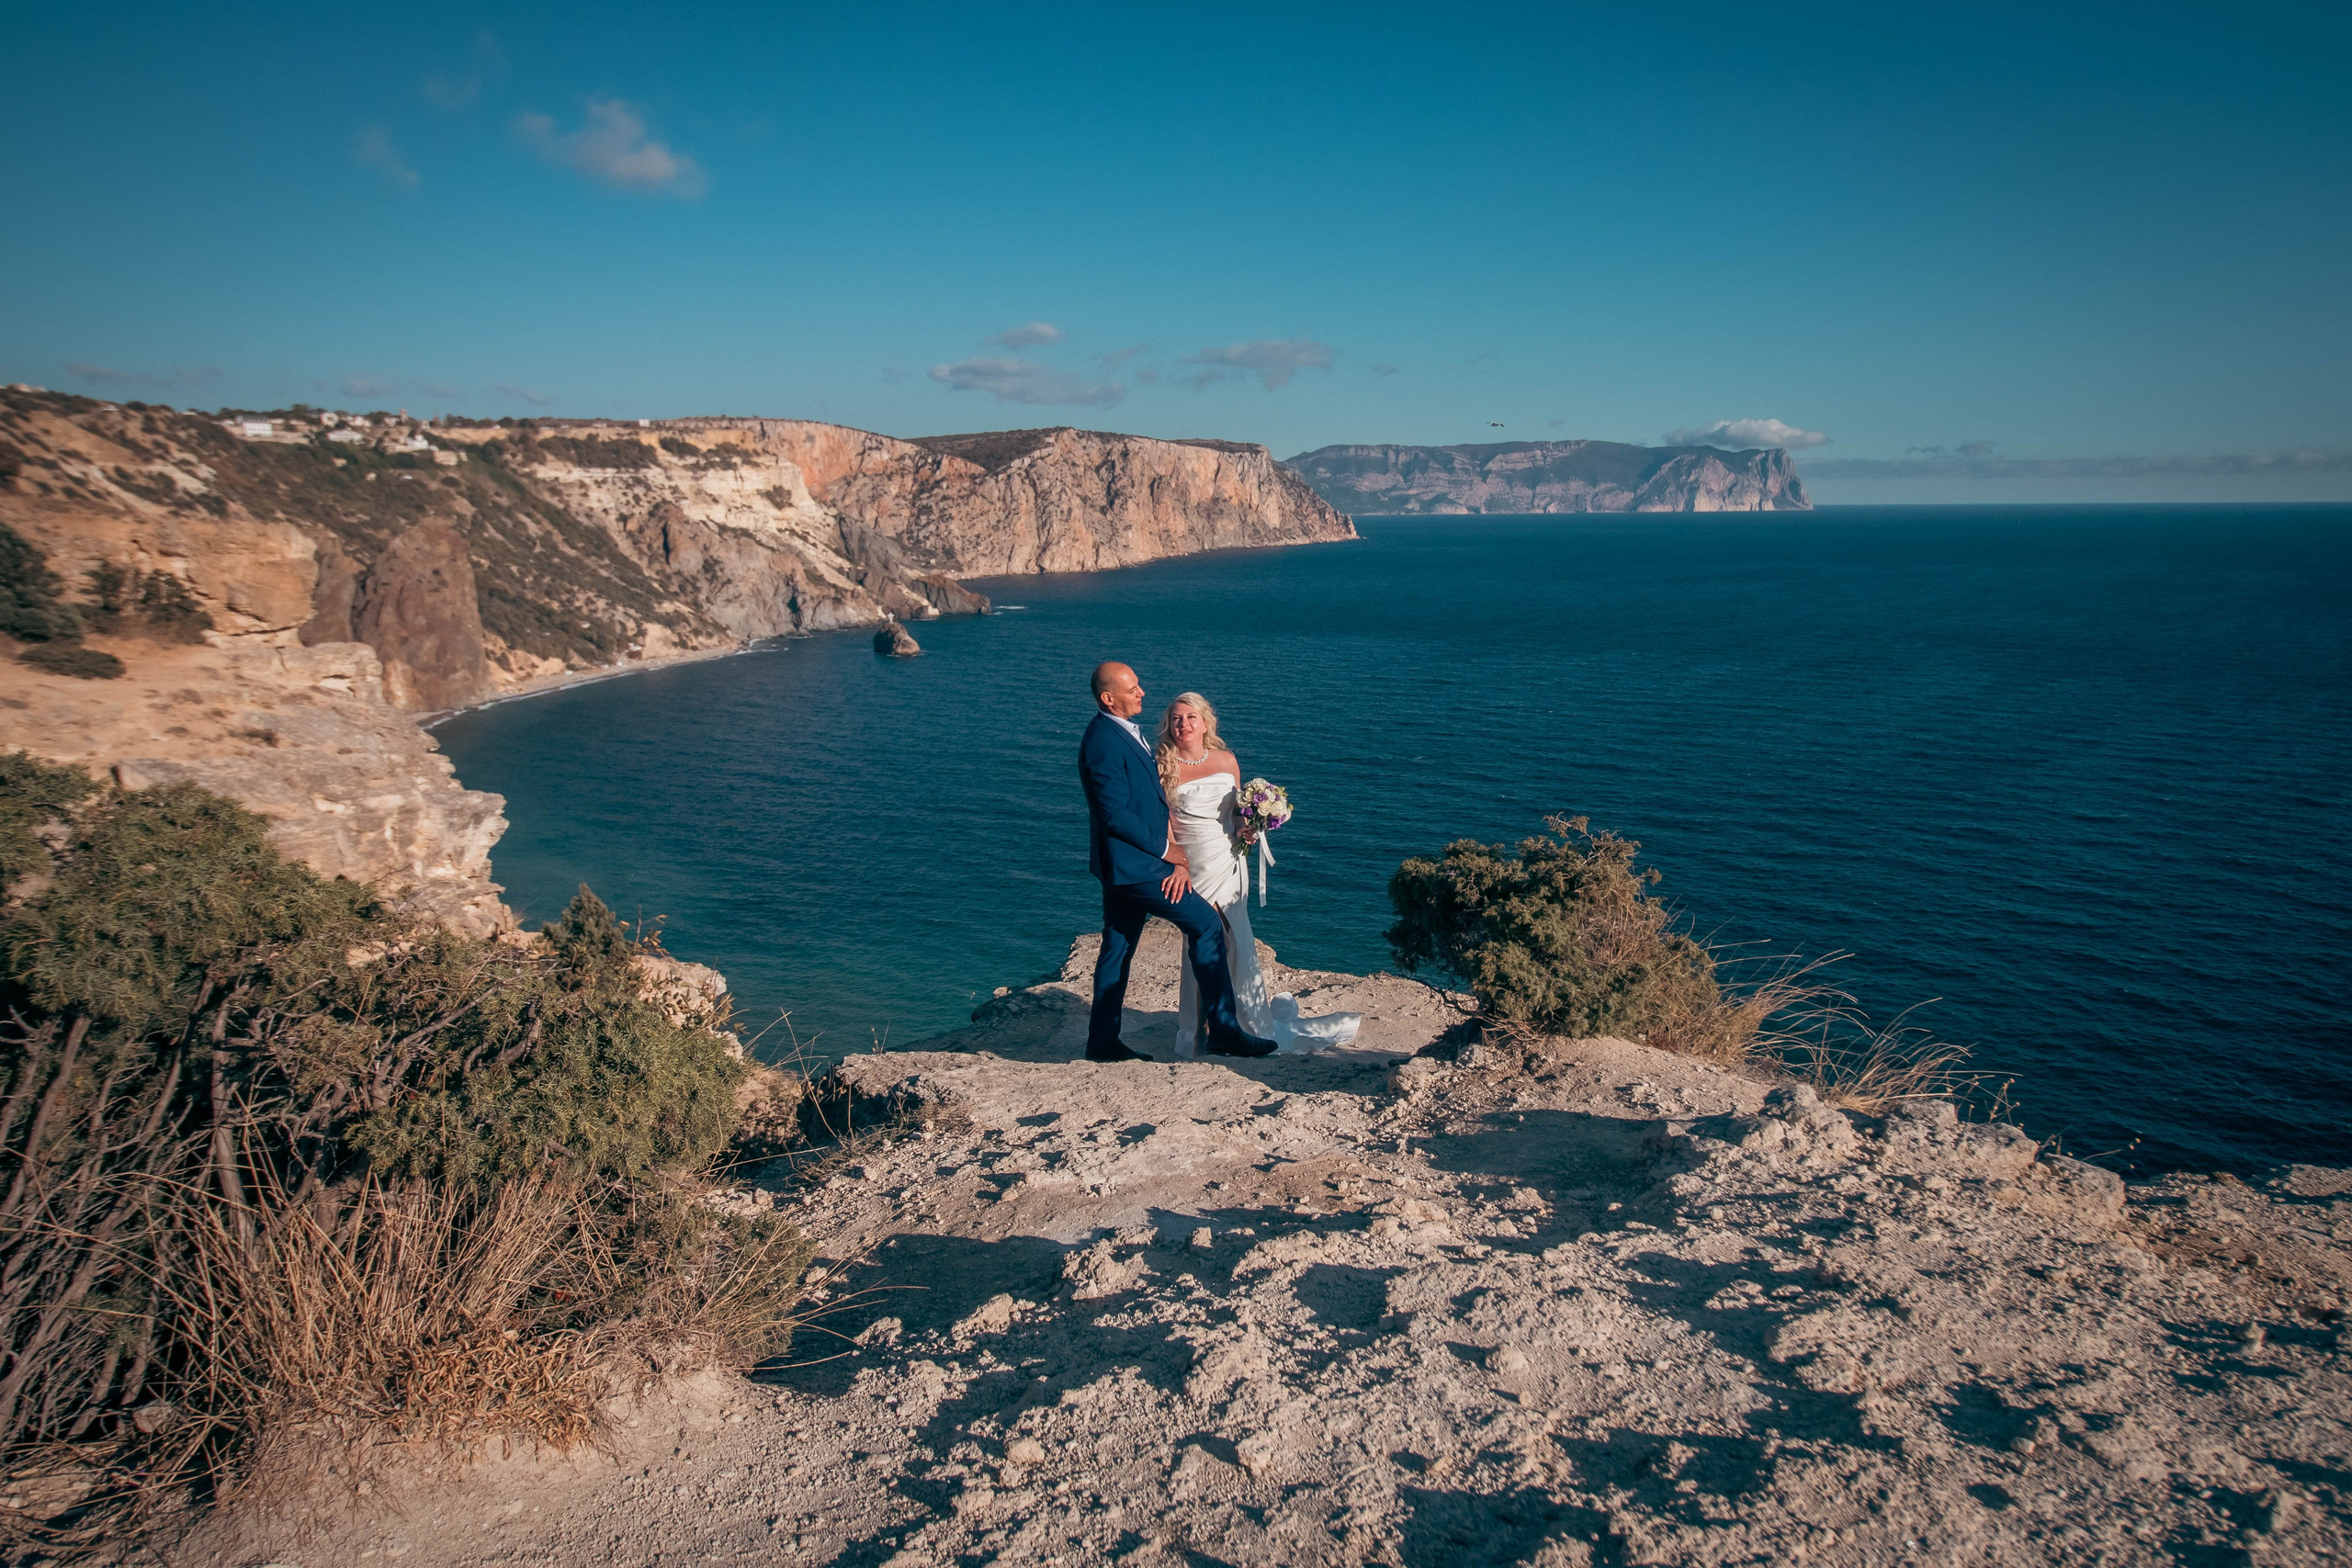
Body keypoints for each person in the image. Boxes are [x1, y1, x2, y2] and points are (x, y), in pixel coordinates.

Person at [1078, 661, 1277, 1063]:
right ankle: (1223, 1031)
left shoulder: (1122, 732)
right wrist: (1169, 853)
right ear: (1108, 698)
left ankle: (1102, 1042)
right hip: (1137, 867)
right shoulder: (1102, 740)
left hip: (1127, 866)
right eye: (1133, 688)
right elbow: (1113, 813)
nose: (1142, 693)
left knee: (1117, 948)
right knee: (1204, 923)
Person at [1156, 692, 1363, 1055]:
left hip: (1228, 859)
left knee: (1235, 938)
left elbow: (1235, 815)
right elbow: (1162, 822)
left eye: (1190, 717)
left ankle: (1239, 1022)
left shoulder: (1226, 760)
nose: (1183, 724)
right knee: (1202, 940)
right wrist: (1175, 862)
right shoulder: (1162, 763)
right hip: (1192, 864)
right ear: (1168, 724)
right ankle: (1198, 1029)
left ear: (1205, 723)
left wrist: (1246, 828)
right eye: (1176, 718)